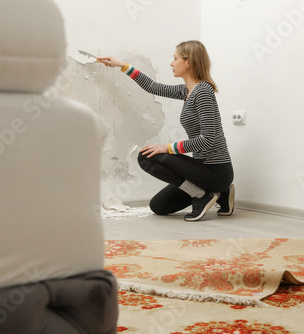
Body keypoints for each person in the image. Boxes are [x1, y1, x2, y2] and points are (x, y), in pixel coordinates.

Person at [99, 40, 234, 222]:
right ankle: (211, 193)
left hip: (216, 171)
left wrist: (167, 148)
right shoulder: (187, 90)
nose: (171, 63)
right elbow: (154, 87)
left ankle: (211, 193)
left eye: (175, 58)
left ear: (188, 61)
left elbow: (208, 139)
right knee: (159, 206)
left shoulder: (203, 91)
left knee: (147, 156)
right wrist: (122, 65)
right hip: (201, 170)